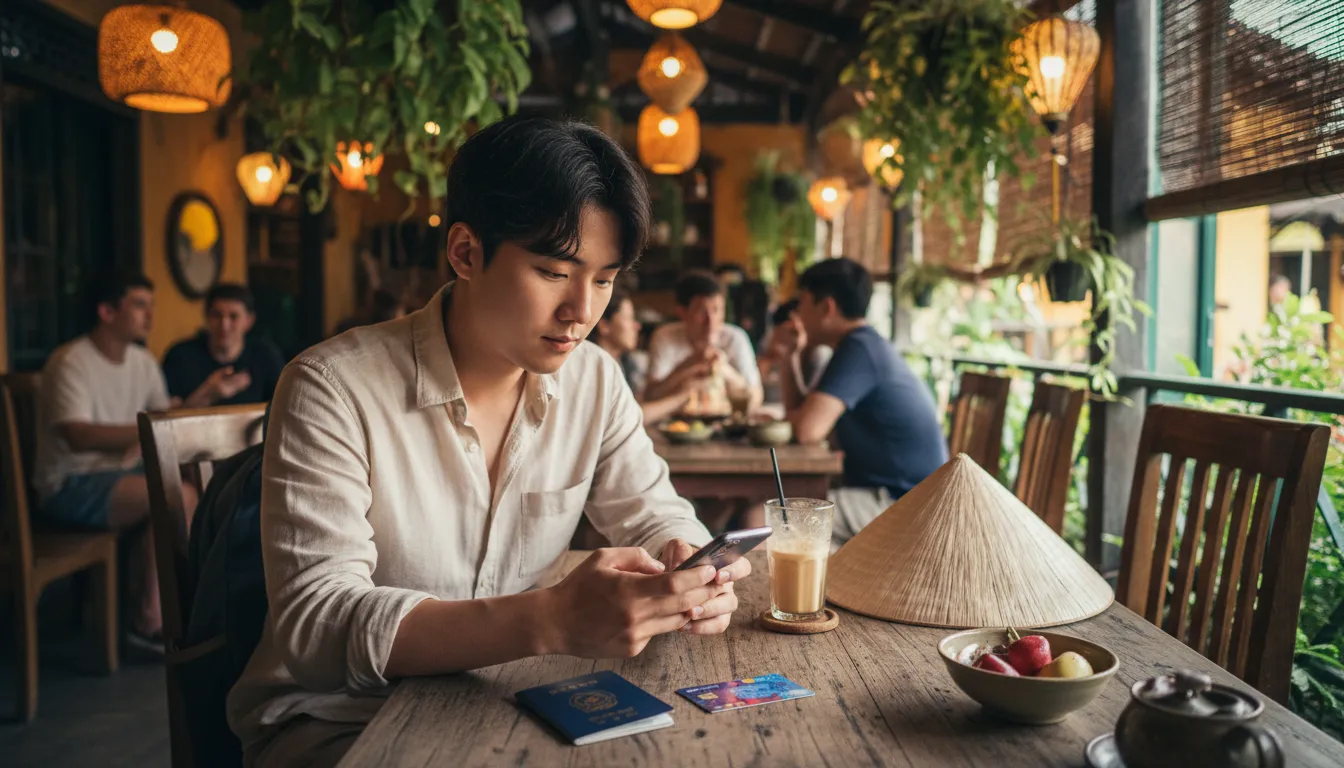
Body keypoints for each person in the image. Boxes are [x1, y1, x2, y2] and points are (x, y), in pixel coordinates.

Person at [228, 117, 749, 767]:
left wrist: (692, 562)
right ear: (466, 252)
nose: (582, 311)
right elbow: (318, 628)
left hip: (499, 700)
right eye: (554, 272)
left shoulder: (593, 381)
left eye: (605, 278)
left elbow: (653, 508)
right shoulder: (332, 388)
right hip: (341, 720)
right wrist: (550, 620)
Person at [32, 272, 198, 650]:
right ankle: (149, 621)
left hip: (121, 475)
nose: (150, 315)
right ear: (107, 311)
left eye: (151, 305)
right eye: (139, 305)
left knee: (194, 486)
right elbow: (79, 436)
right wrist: (148, 429)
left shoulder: (142, 361)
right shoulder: (70, 360)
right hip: (70, 484)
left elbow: (165, 421)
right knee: (177, 495)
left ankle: (171, 609)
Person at [769, 257, 947, 546]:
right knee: (780, 509)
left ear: (826, 307)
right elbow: (802, 416)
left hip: (904, 504)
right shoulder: (859, 345)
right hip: (896, 495)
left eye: (801, 303)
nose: (797, 314)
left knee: (764, 517)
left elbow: (807, 430)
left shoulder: (859, 350)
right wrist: (789, 357)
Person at [644, 271, 763, 412]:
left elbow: (756, 399)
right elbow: (650, 396)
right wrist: (689, 365)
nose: (711, 322)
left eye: (716, 310)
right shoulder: (665, 336)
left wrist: (723, 368)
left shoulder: (735, 338)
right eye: (702, 312)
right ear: (682, 312)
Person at [589, 288, 709, 424]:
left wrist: (689, 367)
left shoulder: (627, 363)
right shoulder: (593, 369)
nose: (637, 326)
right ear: (604, 325)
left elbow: (645, 400)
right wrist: (683, 397)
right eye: (629, 318)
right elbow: (627, 417)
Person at [162, 283, 287, 407]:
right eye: (217, 315)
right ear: (206, 317)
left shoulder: (266, 356)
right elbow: (167, 420)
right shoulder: (180, 356)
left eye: (233, 317)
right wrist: (208, 393)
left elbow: (282, 409)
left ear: (249, 321)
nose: (224, 325)